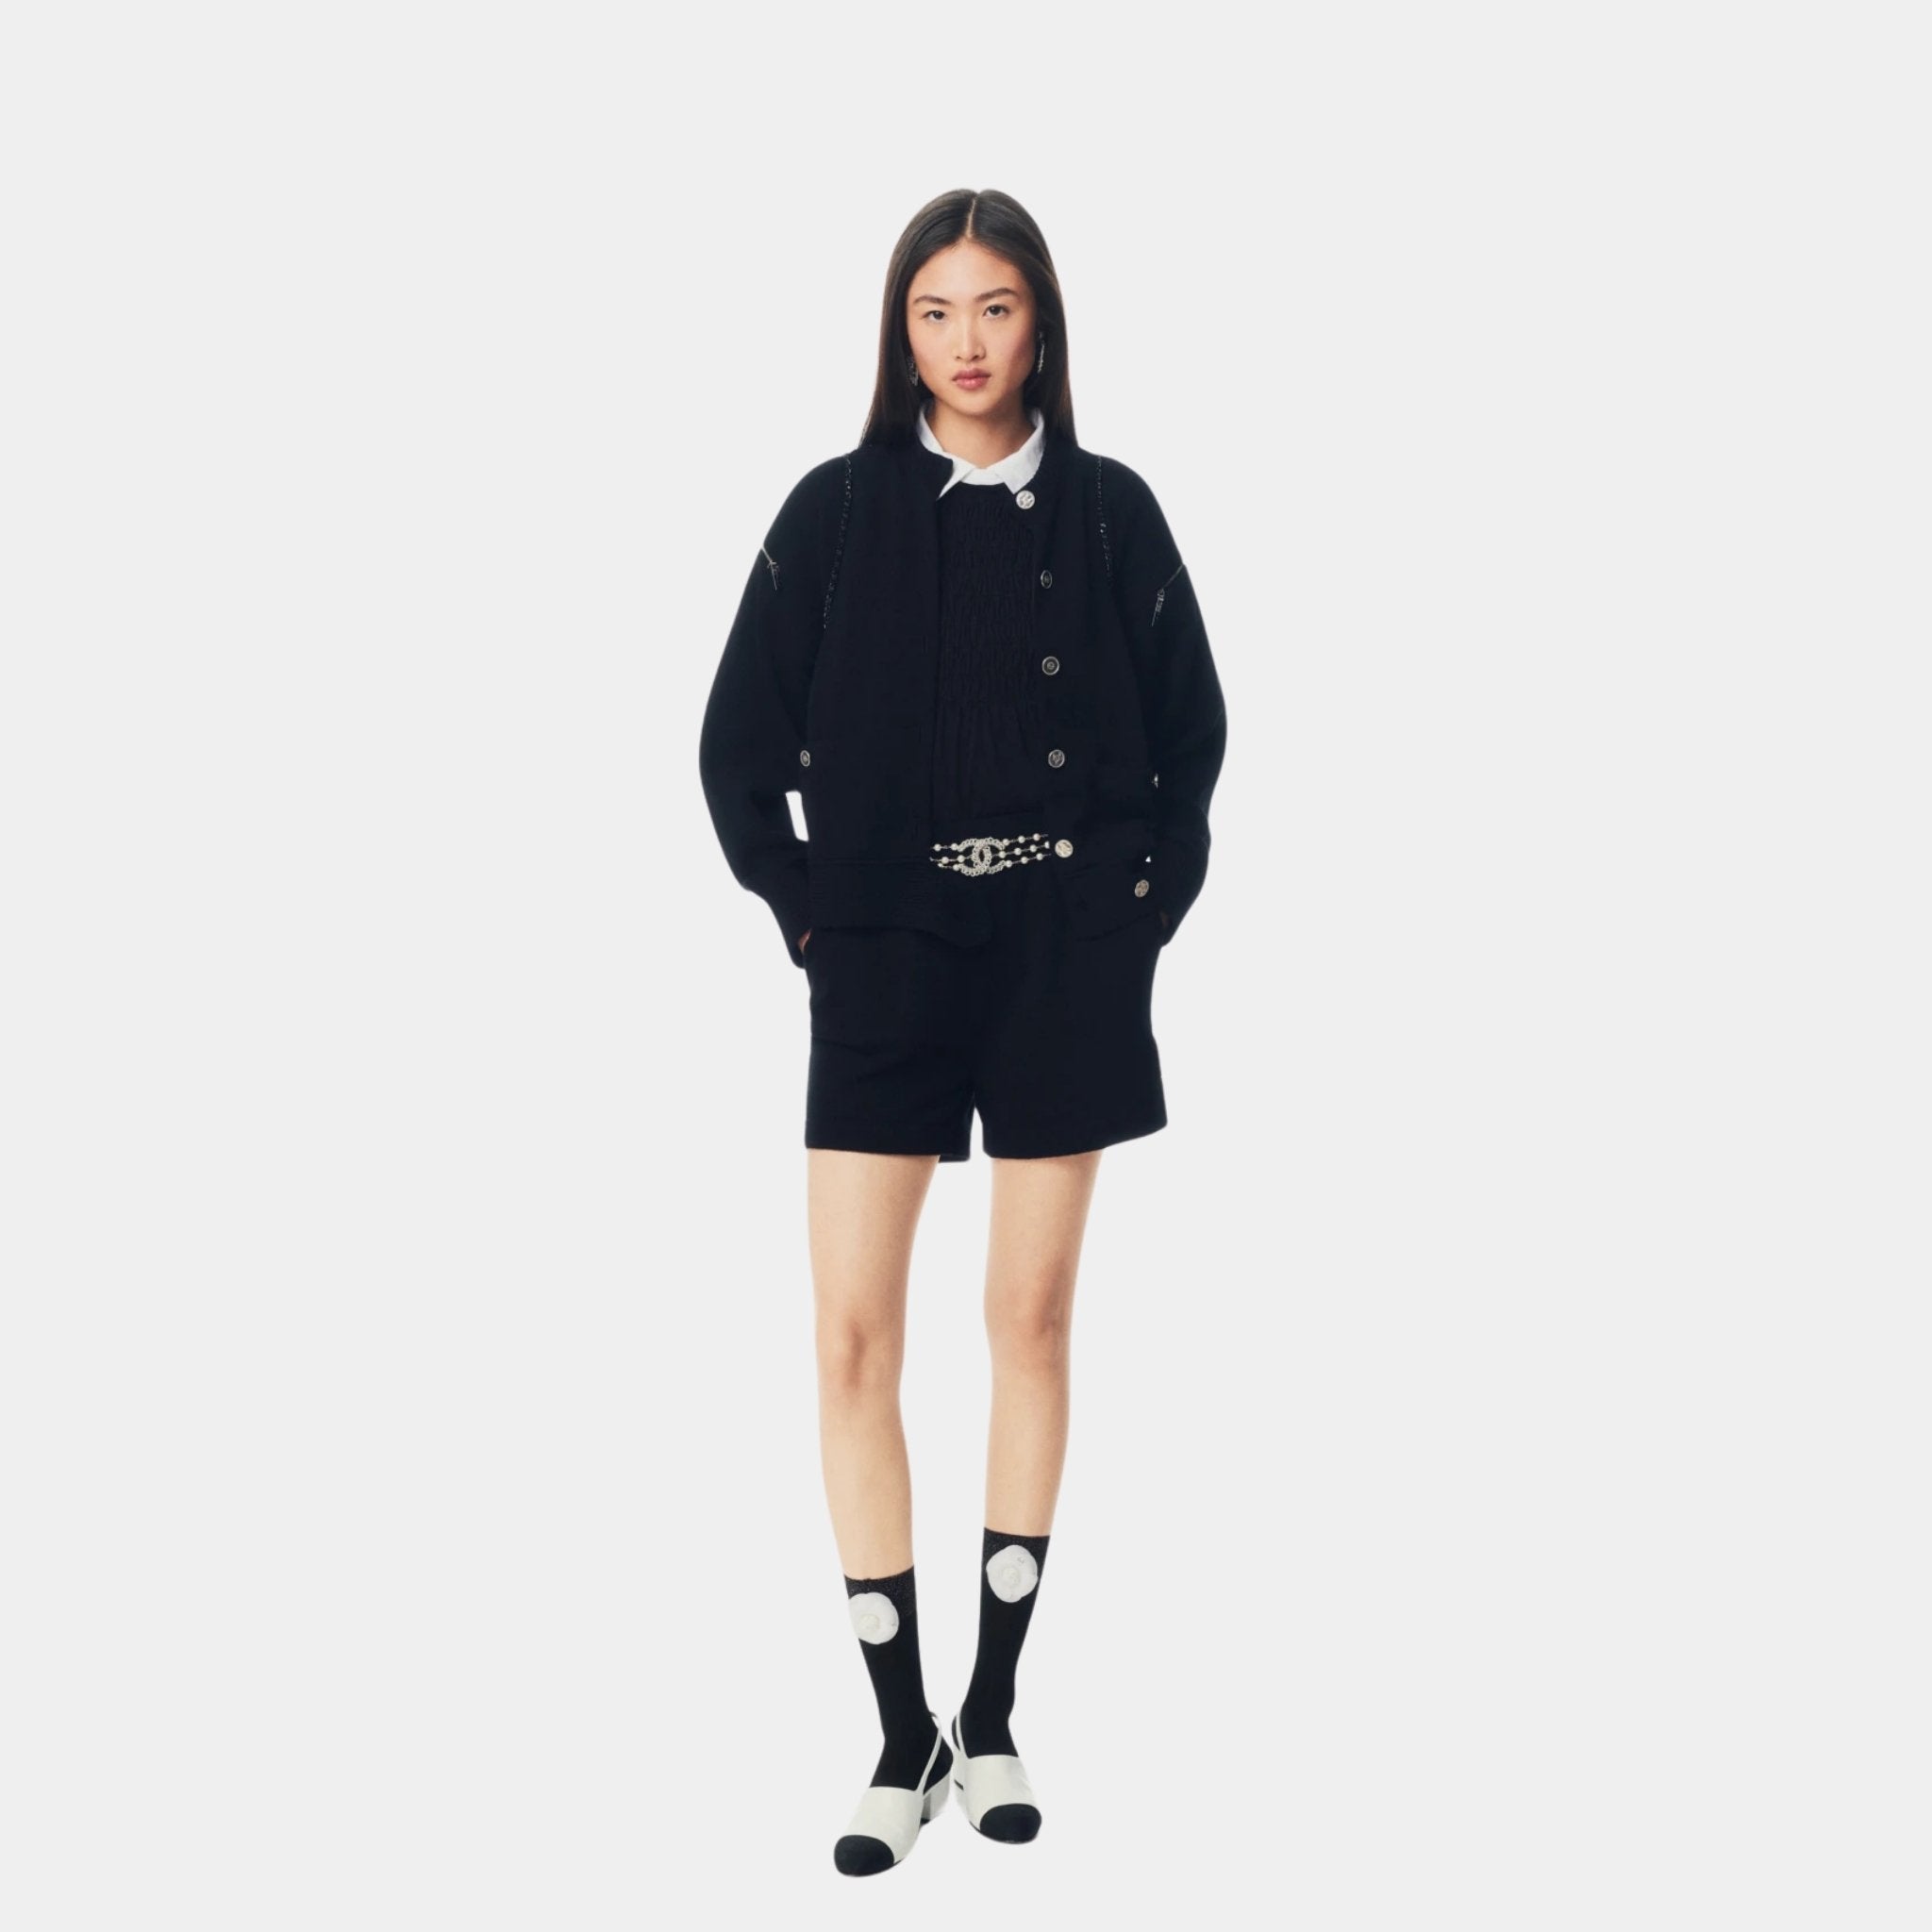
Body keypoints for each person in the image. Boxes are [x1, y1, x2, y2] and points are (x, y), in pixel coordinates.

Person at [697, 188, 1227, 1874]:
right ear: (899, 331)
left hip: (1064, 955)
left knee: (1030, 1321)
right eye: (936, 311)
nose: (967, 341)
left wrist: (1134, 920)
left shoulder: (1114, 510)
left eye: (995, 306)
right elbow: (733, 747)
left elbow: (1196, 739)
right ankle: (895, 1732)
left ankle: (991, 1717)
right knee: (853, 1337)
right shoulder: (837, 510)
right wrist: (813, 916)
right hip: (884, 959)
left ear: (1041, 320)